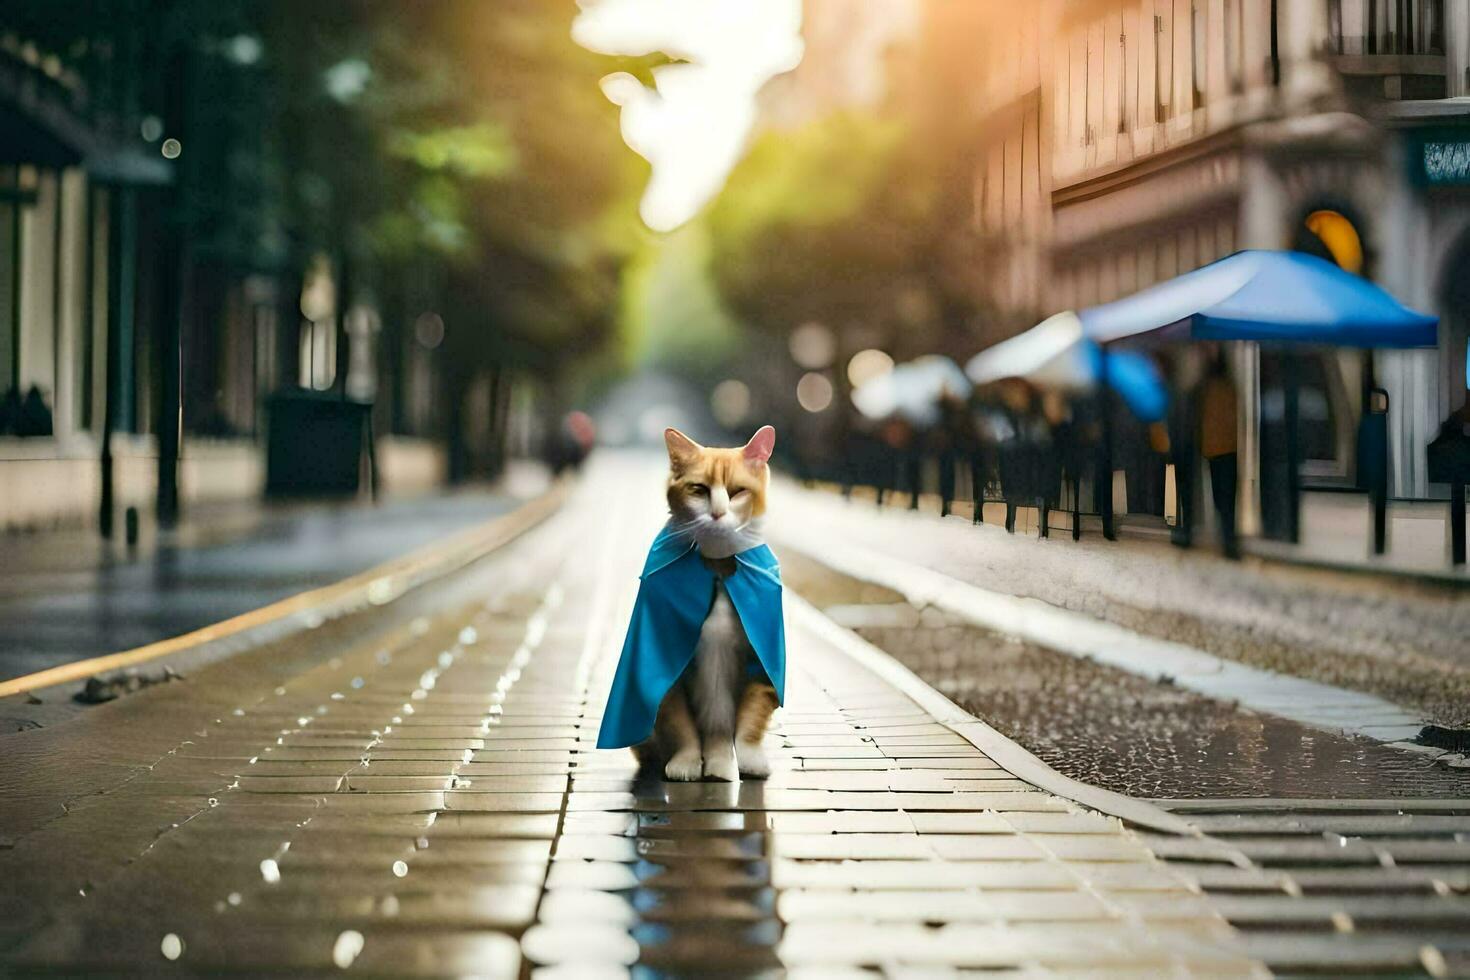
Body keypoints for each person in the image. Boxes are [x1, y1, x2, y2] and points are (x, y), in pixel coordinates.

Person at [1200, 351, 1239, 559]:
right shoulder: (1231, 390)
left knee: (1219, 499)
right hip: (1230, 451)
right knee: (1229, 500)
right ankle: (1229, 540)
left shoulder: (1206, 392)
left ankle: (1224, 539)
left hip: (1213, 451)